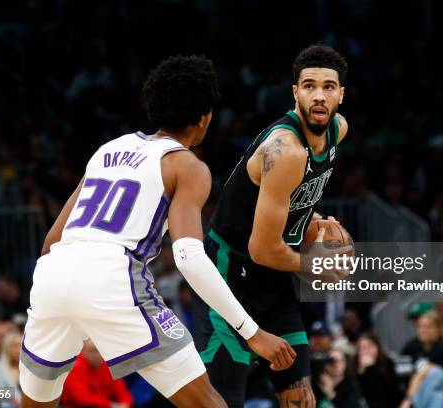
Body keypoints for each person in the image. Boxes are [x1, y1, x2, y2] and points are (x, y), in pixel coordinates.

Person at [18, 55, 295, 408]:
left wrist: (77, 300)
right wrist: (253, 334)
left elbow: (51, 241)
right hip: (112, 275)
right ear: (205, 117)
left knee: (37, 404)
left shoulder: (108, 149)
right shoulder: (187, 166)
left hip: (53, 273)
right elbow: (189, 258)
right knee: (209, 404)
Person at [193, 44, 352, 407]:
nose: (319, 95)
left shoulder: (338, 130)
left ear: (341, 95)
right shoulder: (285, 149)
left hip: (272, 279)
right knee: (222, 403)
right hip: (231, 275)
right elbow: (261, 249)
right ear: (295, 92)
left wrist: (315, 219)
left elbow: (290, 200)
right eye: (309, 85)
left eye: (329, 87)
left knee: (300, 398)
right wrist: (316, 266)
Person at [61, 341, 133, 408]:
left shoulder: (107, 366)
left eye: (100, 351)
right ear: (83, 352)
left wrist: (125, 404)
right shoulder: (74, 368)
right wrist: (112, 405)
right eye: (93, 351)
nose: (98, 355)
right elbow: (82, 398)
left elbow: (122, 391)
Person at [355, 333, 402, 408]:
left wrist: (371, 368)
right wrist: (362, 370)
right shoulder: (355, 366)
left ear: (377, 347)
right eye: (363, 347)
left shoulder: (387, 362)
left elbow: (389, 391)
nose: (367, 350)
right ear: (359, 351)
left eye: (370, 346)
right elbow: (360, 394)